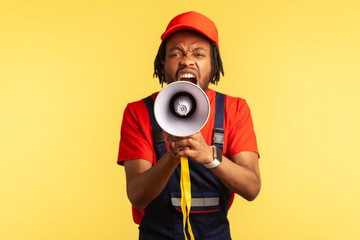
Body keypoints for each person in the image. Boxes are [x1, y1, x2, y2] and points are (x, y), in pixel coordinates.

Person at [117, 11, 261, 240]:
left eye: (199, 53)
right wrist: (173, 154)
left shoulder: (235, 109)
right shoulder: (138, 112)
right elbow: (137, 196)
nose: (187, 60)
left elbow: (252, 188)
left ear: (214, 64)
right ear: (162, 63)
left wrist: (210, 156)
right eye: (176, 53)